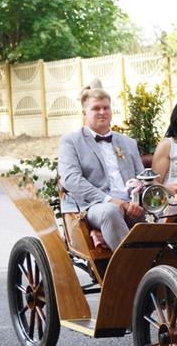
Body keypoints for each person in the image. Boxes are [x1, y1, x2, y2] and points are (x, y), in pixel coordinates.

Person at [58, 81, 145, 250]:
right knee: (111, 212)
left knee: (172, 210)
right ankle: (130, 267)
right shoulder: (71, 141)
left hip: (131, 202)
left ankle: (171, 265)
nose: (102, 112)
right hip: (95, 205)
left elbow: (141, 177)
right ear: (84, 113)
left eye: (106, 108)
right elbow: (71, 179)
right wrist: (111, 200)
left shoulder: (127, 142)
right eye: (96, 108)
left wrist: (136, 199)